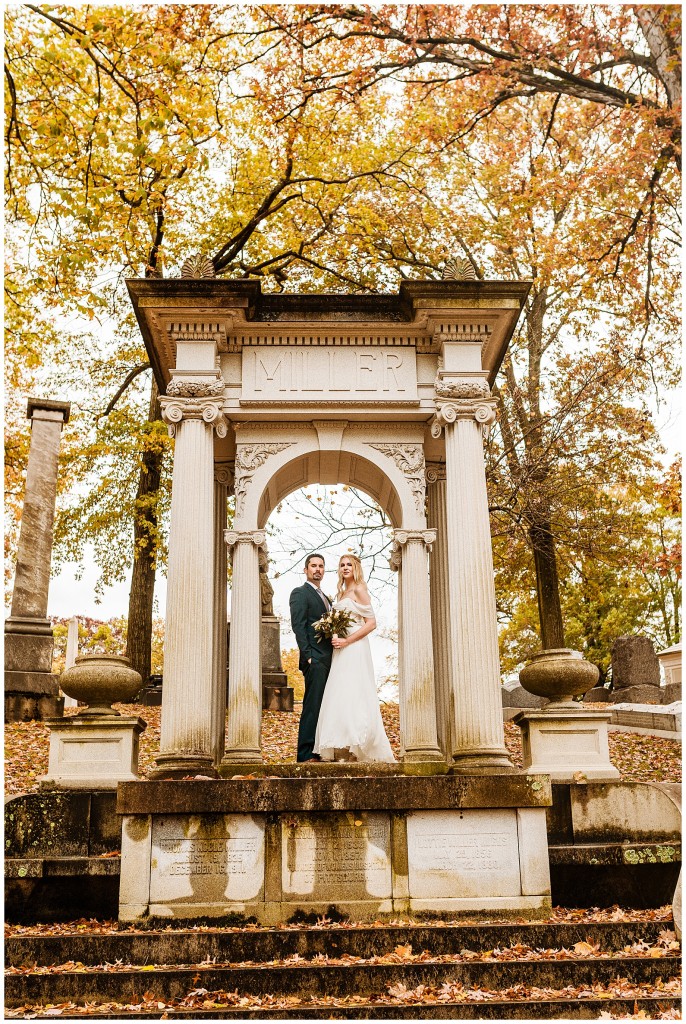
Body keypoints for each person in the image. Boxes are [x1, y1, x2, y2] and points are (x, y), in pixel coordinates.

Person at [314, 554, 395, 763]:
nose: (345, 567)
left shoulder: (359, 589)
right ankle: (345, 746)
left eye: (349, 564)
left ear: (356, 567)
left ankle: (360, 744)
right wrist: (334, 633)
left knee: (356, 691)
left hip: (355, 647)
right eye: (342, 565)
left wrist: (347, 641)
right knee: (340, 691)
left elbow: (371, 623)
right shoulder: (341, 593)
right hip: (340, 648)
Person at [289, 553, 333, 762]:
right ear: (305, 570)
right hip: (314, 659)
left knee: (325, 707)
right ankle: (305, 753)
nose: (317, 569)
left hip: (330, 658)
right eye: (313, 566)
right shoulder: (300, 593)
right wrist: (308, 656)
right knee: (312, 706)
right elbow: (298, 626)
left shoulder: (326, 598)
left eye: (321, 566)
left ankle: (319, 750)